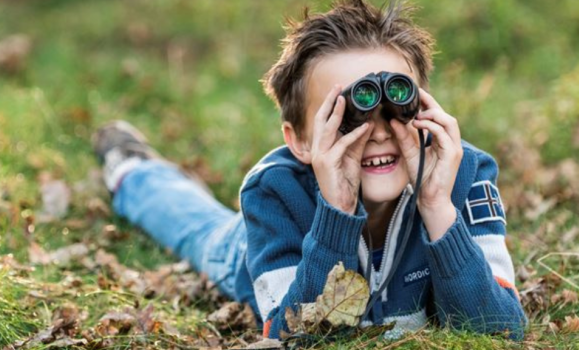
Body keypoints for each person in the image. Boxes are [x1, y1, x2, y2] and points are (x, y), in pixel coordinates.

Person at [92, 0, 527, 341]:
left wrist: (437, 207)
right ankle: (134, 170)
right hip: (267, 251)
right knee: (198, 230)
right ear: (299, 139)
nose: (376, 133)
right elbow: (293, 336)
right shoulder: (276, 192)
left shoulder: (464, 173)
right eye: (348, 115)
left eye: (397, 103)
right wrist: (336, 209)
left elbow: (501, 329)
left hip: (431, 197)